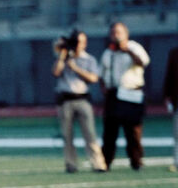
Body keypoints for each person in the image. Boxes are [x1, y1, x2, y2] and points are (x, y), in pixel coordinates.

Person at [52, 29, 107, 173]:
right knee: (67, 135)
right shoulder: (64, 58)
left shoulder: (89, 59)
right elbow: (56, 72)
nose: (79, 45)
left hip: (82, 98)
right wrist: (63, 54)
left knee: (90, 133)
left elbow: (94, 78)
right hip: (65, 100)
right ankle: (70, 164)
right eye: (77, 42)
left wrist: (75, 68)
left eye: (82, 42)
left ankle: (98, 164)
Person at [99, 21, 150, 171]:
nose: (116, 35)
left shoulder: (134, 47)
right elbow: (101, 73)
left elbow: (143, 62)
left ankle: (136, 161)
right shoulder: (108, 52)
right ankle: (106, 162)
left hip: (131, 93)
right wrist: (104, 88)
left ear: (126, 34)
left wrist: (127, 50)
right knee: (110, 131)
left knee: (133, 130)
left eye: (119, 32)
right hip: (114, 94)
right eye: (113, 33)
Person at [163, 44, 178, 172]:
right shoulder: (174, 52)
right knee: (177, 133)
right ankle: (177, 162)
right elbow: (170, 75)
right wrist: (167, 95)